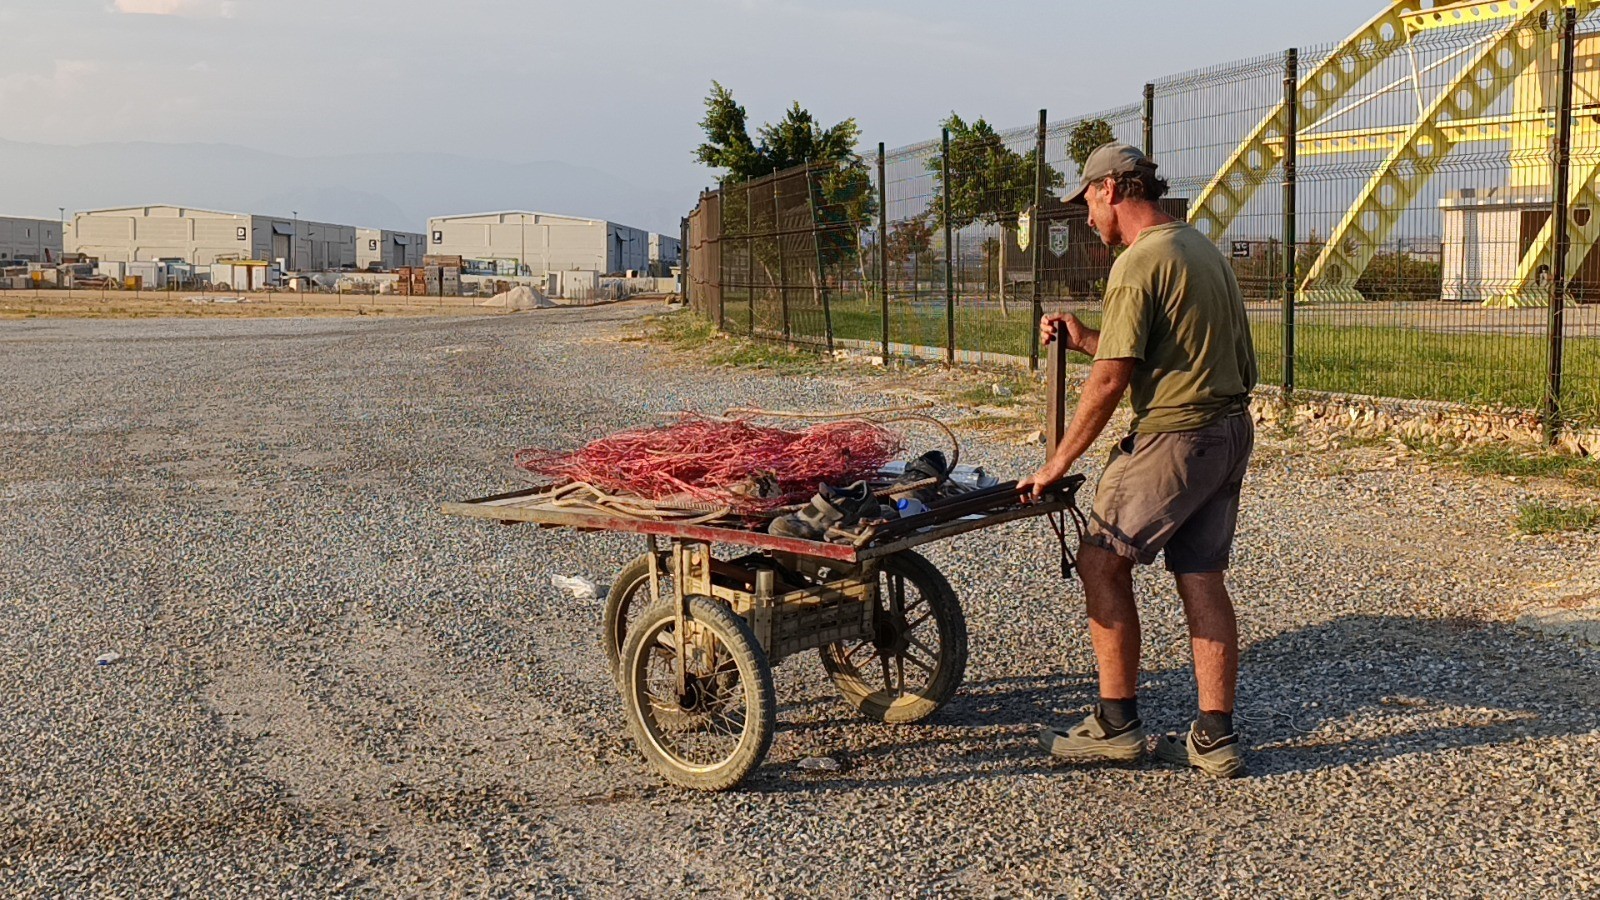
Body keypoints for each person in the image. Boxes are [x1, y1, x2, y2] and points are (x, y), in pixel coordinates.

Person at [1019, 142, 1258, 778]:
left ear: (1111, 191)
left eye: (1087, 203)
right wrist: (1085, 336)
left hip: (1177, 437)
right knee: (1202, 575)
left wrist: (1054, 463)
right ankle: (1214, 737)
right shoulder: (1197, 247)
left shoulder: (1136, 263)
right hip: (1229, 431)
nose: (1087, 218)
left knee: (1099, 560)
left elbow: (1110, 381)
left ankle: (1115, 724)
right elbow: (1159, 350)